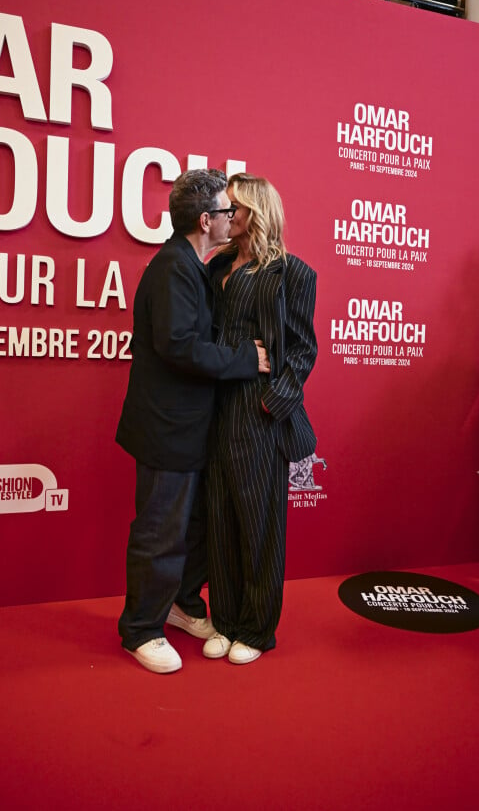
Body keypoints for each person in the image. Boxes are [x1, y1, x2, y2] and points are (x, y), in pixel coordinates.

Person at [116, 168, 271, 674]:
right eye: (228, 212)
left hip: (189, 426)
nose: (235, 220)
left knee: (192, 527)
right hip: (166, 428)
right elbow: (179, 347)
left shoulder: (194, 263)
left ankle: (181, 603)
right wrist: (248, 359)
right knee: (161, 531)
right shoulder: (173, 268)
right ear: (206, 220)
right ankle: (141, 629)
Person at [202, 173, 317, 665]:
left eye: (234, 208)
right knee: (220, 519)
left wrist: (273, 404)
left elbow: (304, 350)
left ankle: (256, 627)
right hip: (212, 407)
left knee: (259, 524)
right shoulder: (217, 266)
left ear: (254, 212)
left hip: (258, 411)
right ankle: (225, 621)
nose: (226, 216)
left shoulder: (293, 273)